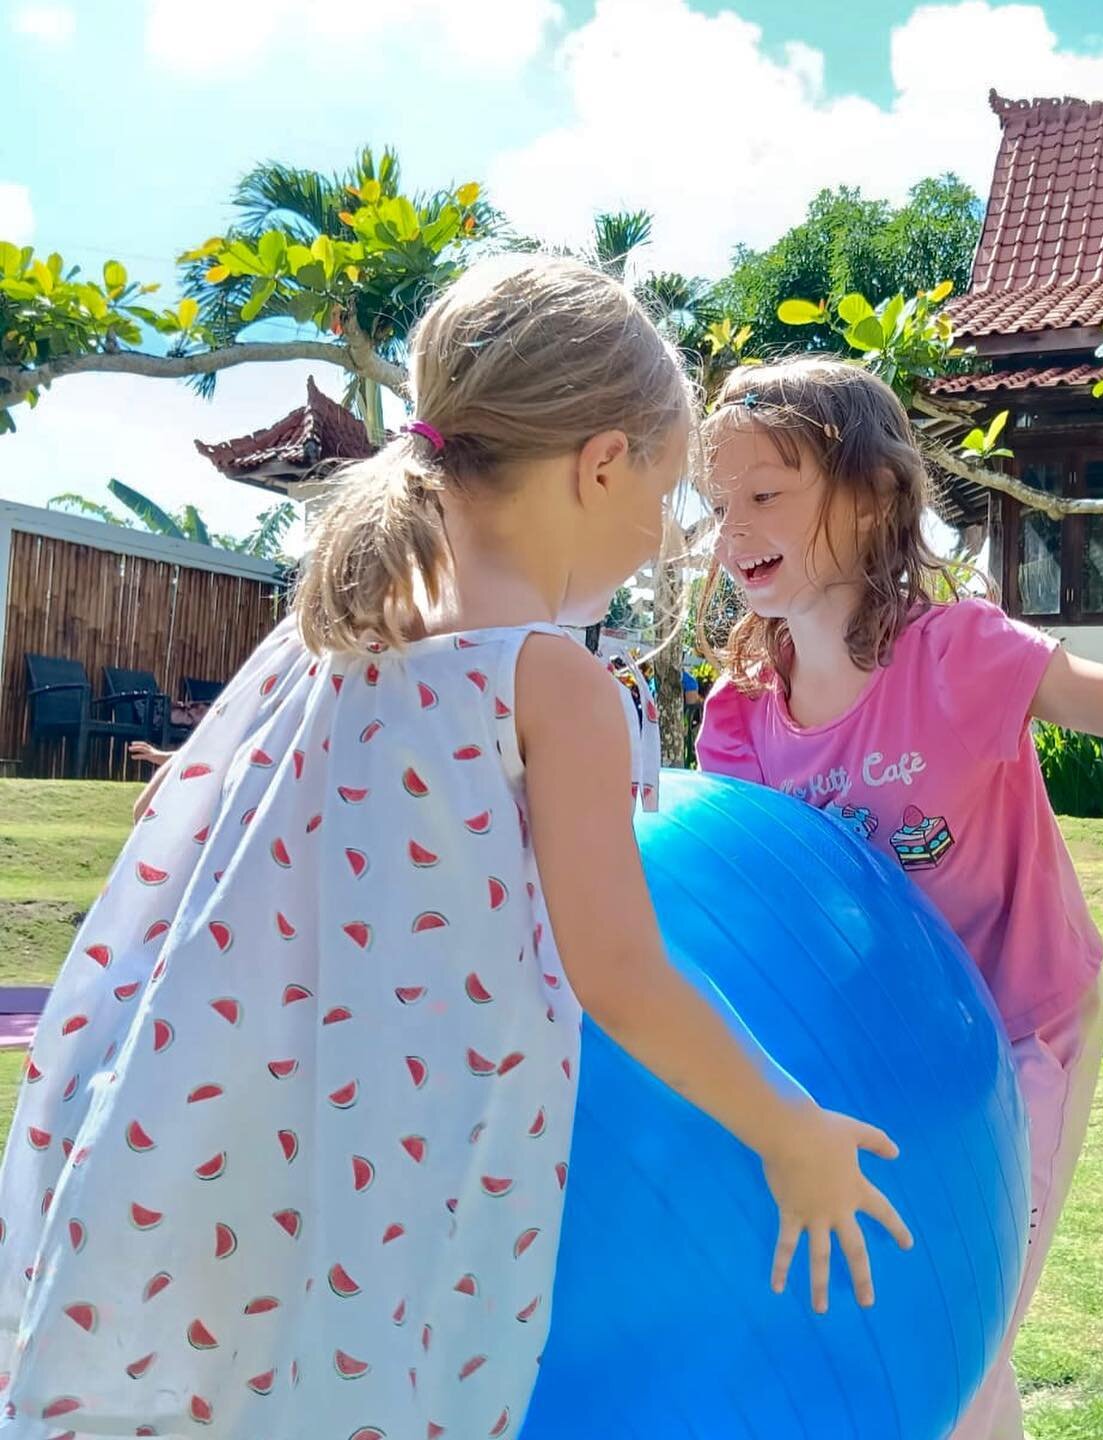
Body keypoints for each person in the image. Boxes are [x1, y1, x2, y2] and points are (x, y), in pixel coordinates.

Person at [0, 262, 911, 1440]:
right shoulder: (551, 681)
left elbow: (170, 821)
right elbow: (623, 975)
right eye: (672, 484)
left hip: (195, 1130)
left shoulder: (320, 637)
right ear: (601, 465)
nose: (670, 529)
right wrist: (791, 1131)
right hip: (382, 1171)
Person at [694, 357, 1103, 1440]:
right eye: (720, 503)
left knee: (968, 1322)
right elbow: (752, 906)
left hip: (1023, 1028)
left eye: (766, 495)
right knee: (892, 1317)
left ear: (872, 498)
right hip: (882, 1048)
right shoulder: (743, 711)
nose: (733, 529)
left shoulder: (960, 651)